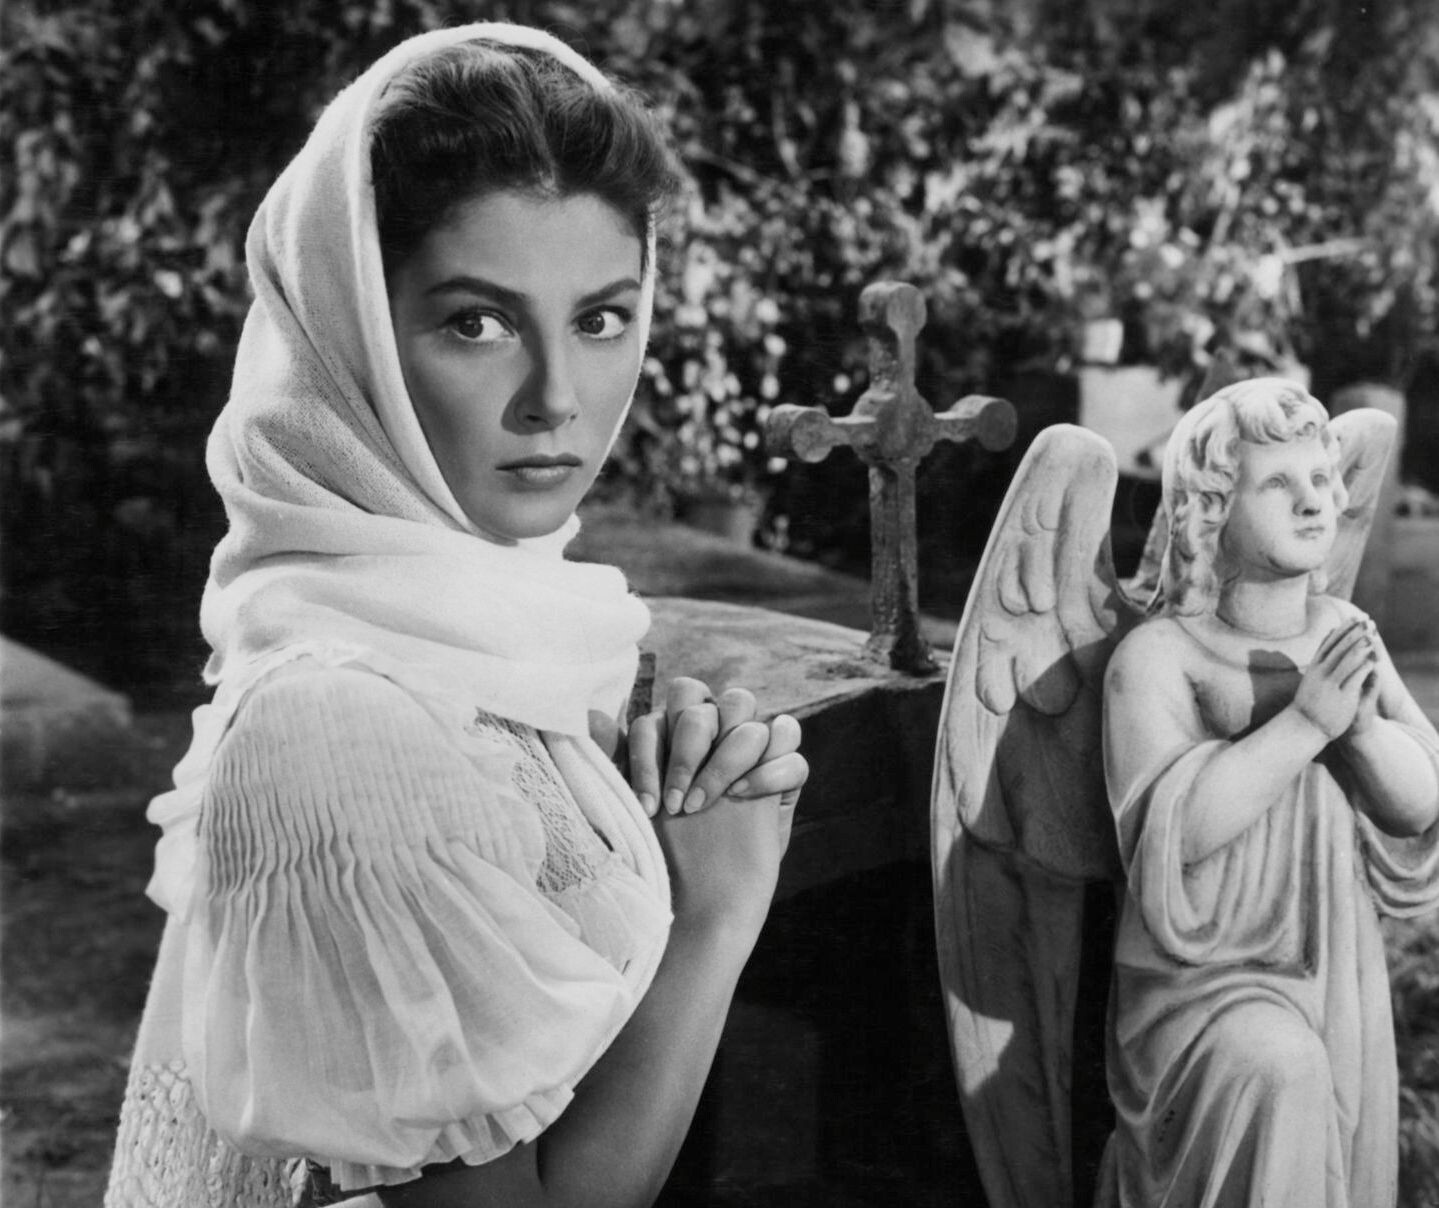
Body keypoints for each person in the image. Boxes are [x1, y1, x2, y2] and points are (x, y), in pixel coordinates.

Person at [104, 23, 808, 1208]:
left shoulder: (503, 636)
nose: (556, 398)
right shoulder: (342, 728)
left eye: (600, 317)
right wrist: (714, 915)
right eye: (476, 321)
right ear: (352, 340)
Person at [1101, 377, 1439, 1206]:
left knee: (1331, 1127)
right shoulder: (1160, 658)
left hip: (1330, 964)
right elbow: (1172, 834)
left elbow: (1419, 804)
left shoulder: (1345, 634)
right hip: (1198, 982)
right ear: (1211, 508)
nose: (1315, 501)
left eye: (1321, 477)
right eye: (1278, 484)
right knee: (1280, 1068)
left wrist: (1360, 734)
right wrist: (1305, 724)